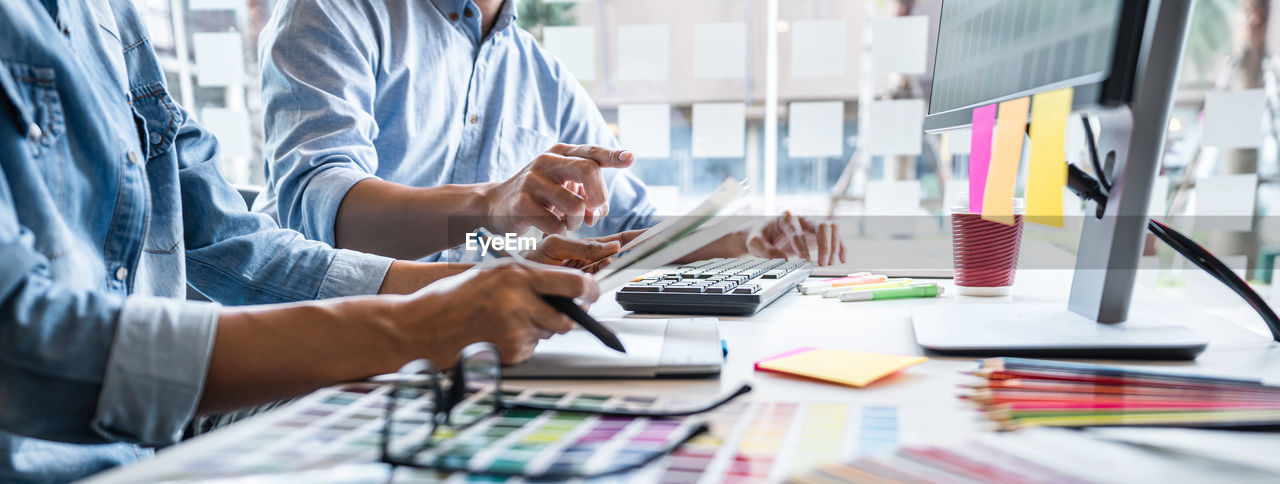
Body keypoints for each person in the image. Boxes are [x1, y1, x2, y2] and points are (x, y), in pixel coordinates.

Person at [0, 1, 612, 481]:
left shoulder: (109, 18)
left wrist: (484, 277)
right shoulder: (339, 9)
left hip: (162, 429)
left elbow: (233, 245)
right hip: (113, 432)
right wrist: (448, 282)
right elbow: (314, 210)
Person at [254, 0, 849, 266]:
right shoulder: (333, 10)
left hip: (485, 329)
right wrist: (492, 205)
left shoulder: (542, 75)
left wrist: (736, 239)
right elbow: (316, 212)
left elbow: (618, 227)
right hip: (349, 337)